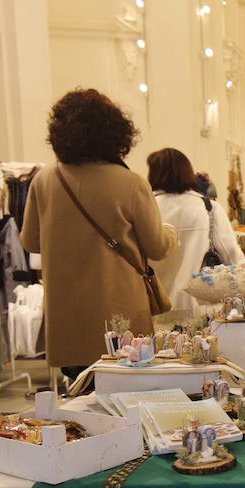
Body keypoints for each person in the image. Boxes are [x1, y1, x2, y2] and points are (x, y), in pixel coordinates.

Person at [21, 89, 177, 376]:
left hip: (67, 313)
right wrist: (171, 232)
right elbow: (157, 247)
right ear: (116, 132)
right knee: (125, 392)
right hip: (119, 311)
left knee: (79, 392)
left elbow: (30, 241)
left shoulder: (44, 179)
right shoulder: (129, 183)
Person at [147, 147, 245, 318]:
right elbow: (232, 257)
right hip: (199, 308)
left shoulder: (146, 208)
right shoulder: (209, 208)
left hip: (155, 307)